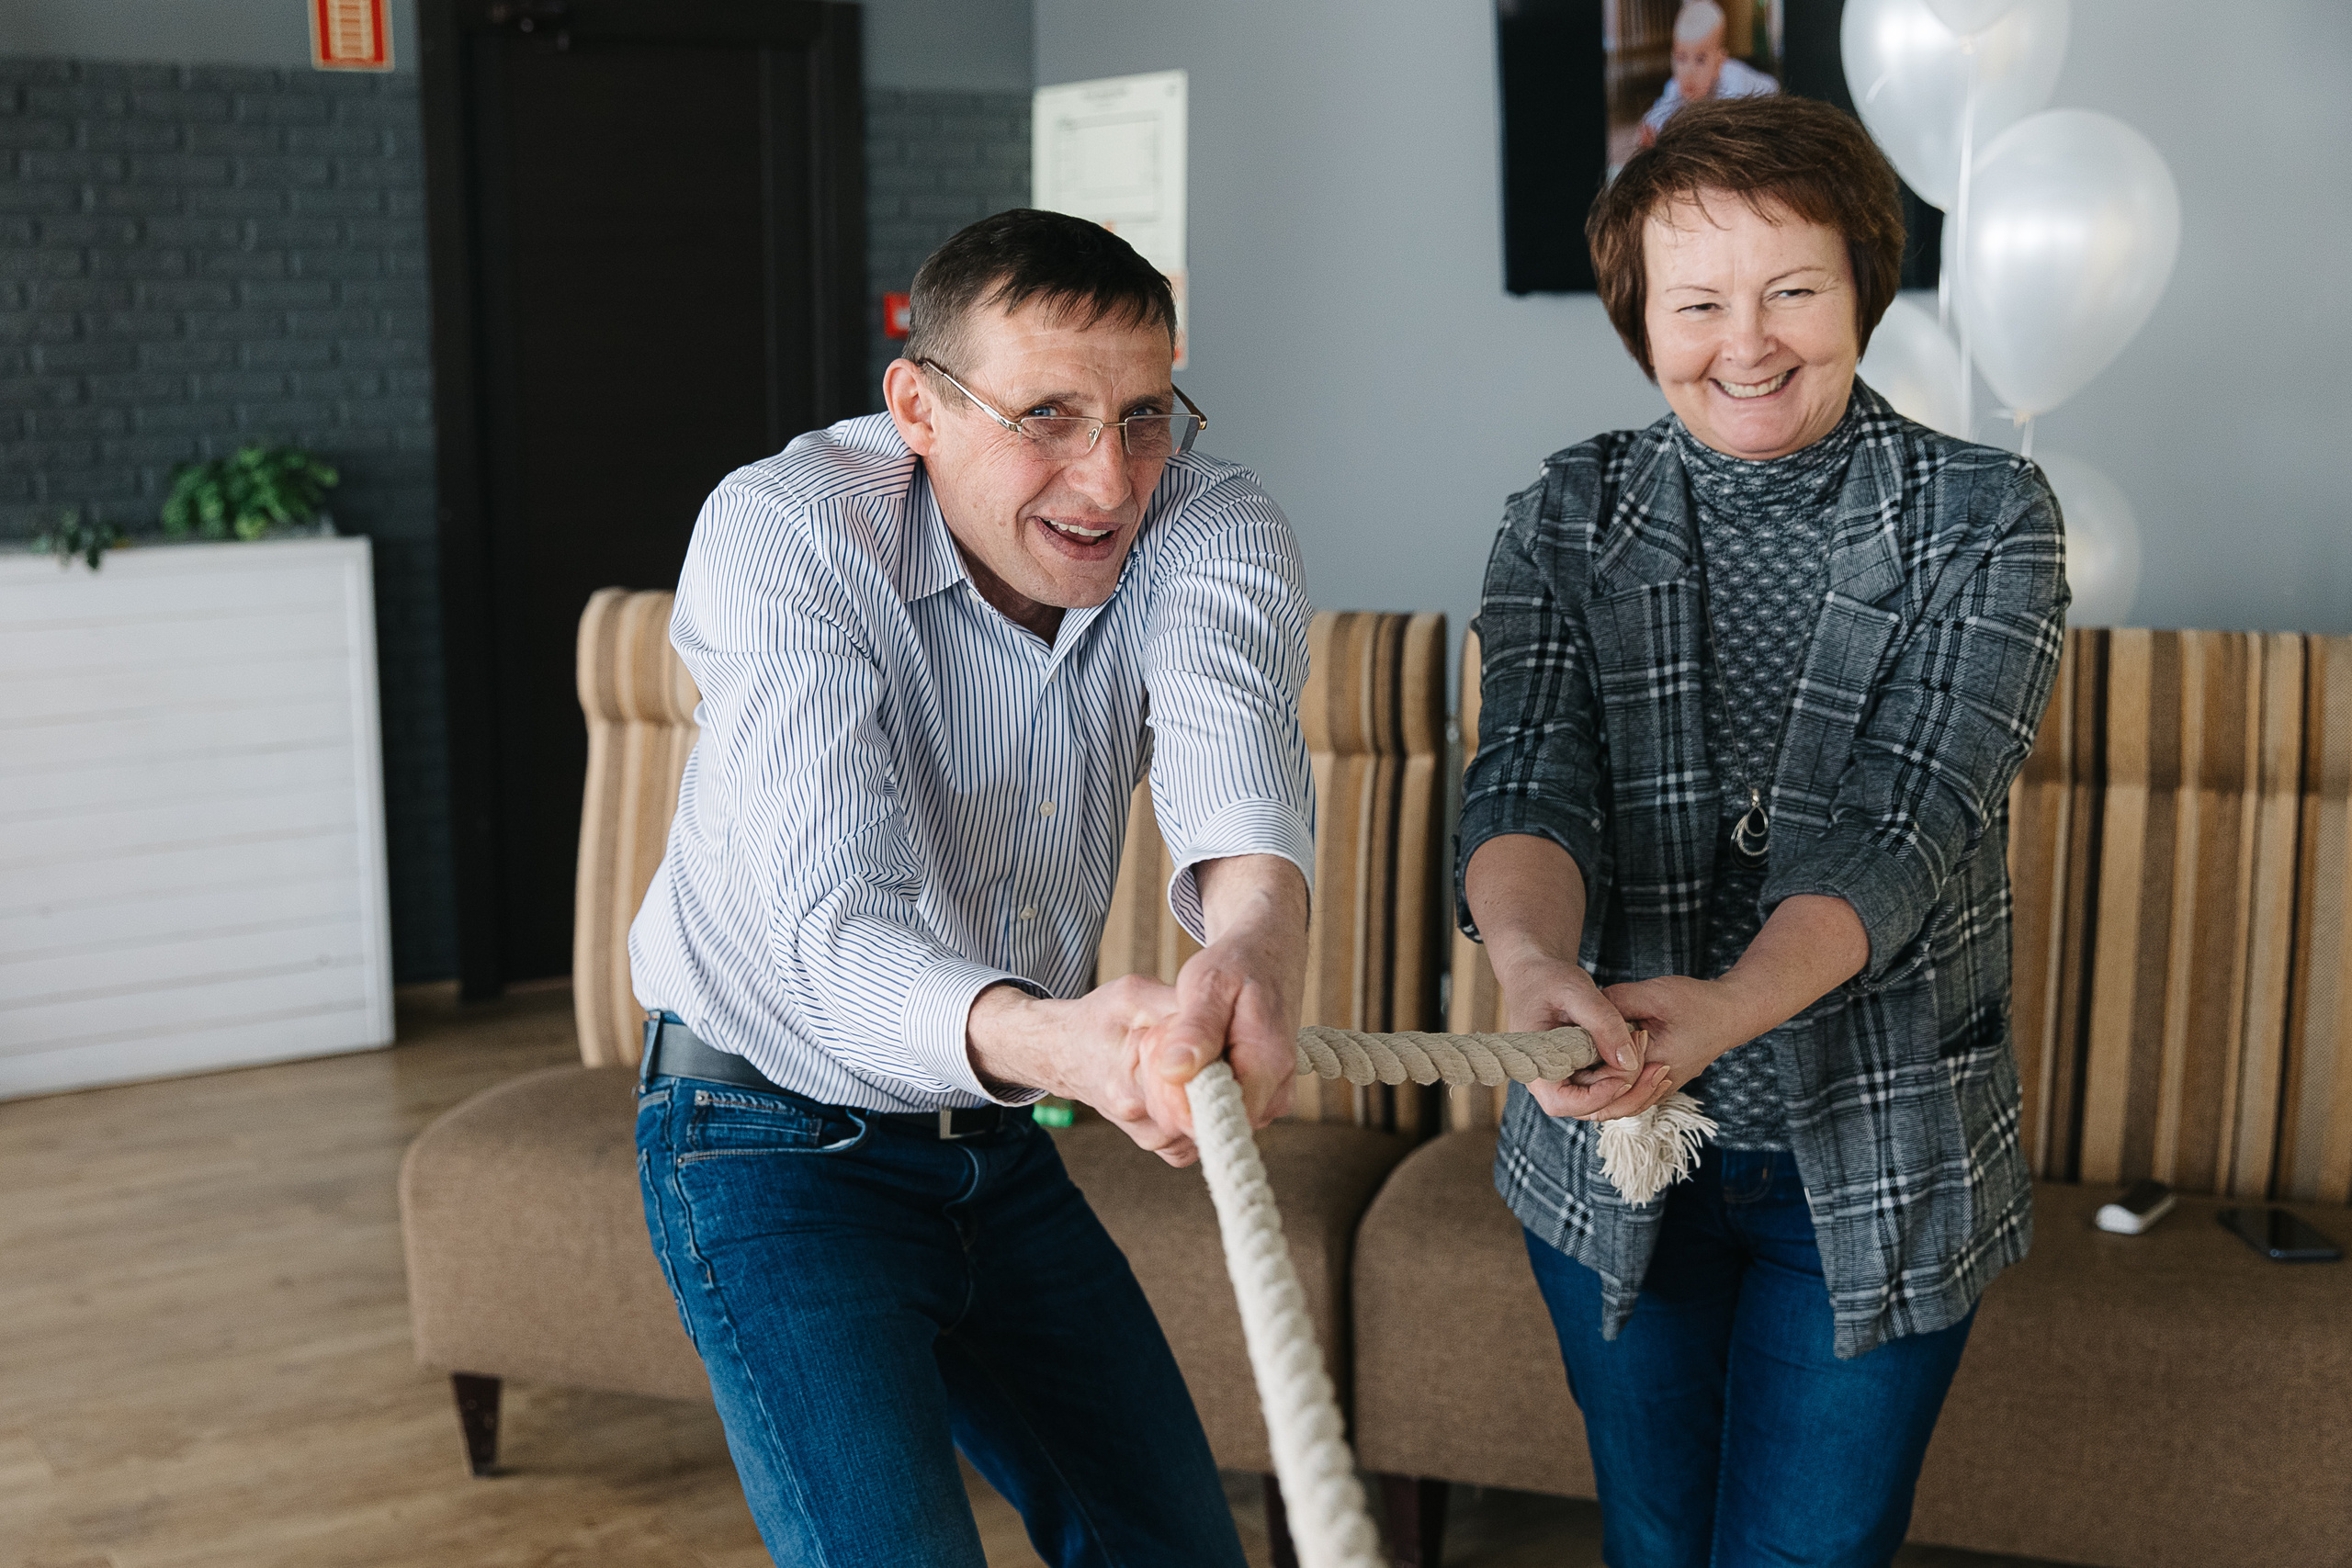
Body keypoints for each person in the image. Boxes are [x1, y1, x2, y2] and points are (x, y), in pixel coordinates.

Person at [628, 208, 1316, 1567]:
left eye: (1143, 415)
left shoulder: (1210, 520)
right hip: (765, 1136)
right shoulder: (788, 532)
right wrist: (1062, 1037)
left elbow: (1233, 770)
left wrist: (1252, 947)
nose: (1108, 480)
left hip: (992, 1142)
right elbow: (824, 933)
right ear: (918, 408)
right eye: (1047, 415)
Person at [1458, 96, 2067, 1567]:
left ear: (1863, 283)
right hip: (1616, 1135)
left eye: (1793, 287)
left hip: (1876, 1144)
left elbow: (1906, 822)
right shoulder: (1567, 515)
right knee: (1656, 1543)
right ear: (1639, 318)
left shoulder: (1988, 519)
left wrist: (1728, 1007)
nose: (1748, 340)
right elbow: (1526, 777)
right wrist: (1531, 962)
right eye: (1699, 300)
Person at [1640, 1, 1778, 147]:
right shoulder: (1675, 86)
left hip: (1768, 94)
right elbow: (1659, 114)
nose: (1689, 71)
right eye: (1681, 58)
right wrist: (1650, 130)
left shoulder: (1732, 87)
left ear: (1718, 63)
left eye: (1700, 60)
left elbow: (1733, 133)